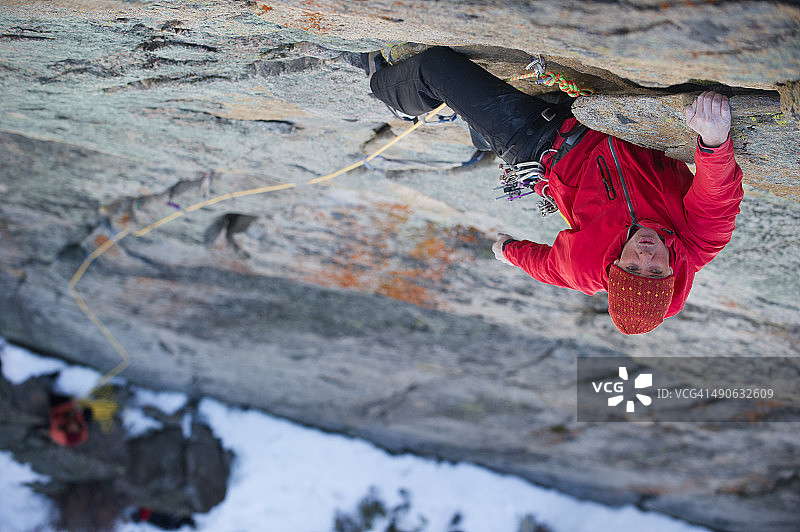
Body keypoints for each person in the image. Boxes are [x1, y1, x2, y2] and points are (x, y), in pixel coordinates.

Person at [365, 46, 743, 334]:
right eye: (656, 271)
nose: (646, 256)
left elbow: (545, 266)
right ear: (670, 275)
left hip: (540, 142)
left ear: (613, 271)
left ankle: (383, 85)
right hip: (607, 123)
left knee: (436, 67)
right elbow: (717, 193)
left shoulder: (585, 268)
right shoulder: (697, 242)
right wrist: (712, 138)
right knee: (480, 121)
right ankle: (479, 132)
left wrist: (507, 251)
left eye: (633, 268)